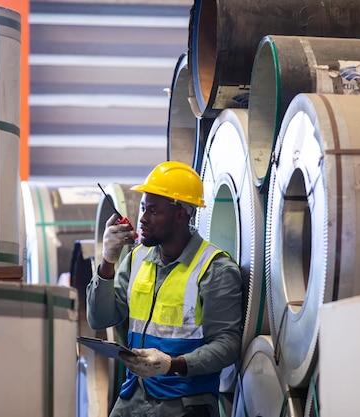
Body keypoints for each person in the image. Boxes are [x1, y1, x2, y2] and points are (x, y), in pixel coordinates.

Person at [86, 161, 243, 417]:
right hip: (133, 398)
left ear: (180, 215)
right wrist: (107, 261)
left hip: (184, 404)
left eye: (153, 211)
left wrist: (172, 365)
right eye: (144, 208)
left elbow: (228, 345)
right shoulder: (137, 259)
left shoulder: (215, 269)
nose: (143, 219)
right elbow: (99, 318)